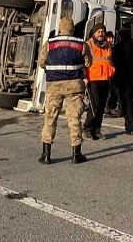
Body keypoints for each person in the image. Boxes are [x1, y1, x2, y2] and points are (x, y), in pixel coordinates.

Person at [37, 17, 91, 165]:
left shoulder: (50, 43)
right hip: (74, 85)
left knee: (50, 118)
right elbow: (88, 63)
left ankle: (46, 154)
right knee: (74, 119)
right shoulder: (81, 44)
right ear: (72, 28)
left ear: (60, 28)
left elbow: (42, 63)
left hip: (54, 85)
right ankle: (76, 154)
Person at [112, 28, 133, 135]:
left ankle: (129, 125)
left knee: (126, 101)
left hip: (123, 79)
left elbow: (114, 62)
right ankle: (131, 126)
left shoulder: (117, 48)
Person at [83, 23, 115, 140]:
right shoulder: (88, 44)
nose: (101, 34)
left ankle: (97, 129)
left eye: (102, 31)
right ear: (94, 33)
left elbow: (110, 60)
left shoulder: (108, 45)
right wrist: (84, 76)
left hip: (106, 78)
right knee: (94, 106)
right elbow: (84, 62)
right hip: (93, 78)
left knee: (101, 106)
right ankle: (87, 128)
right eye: (98, 32)